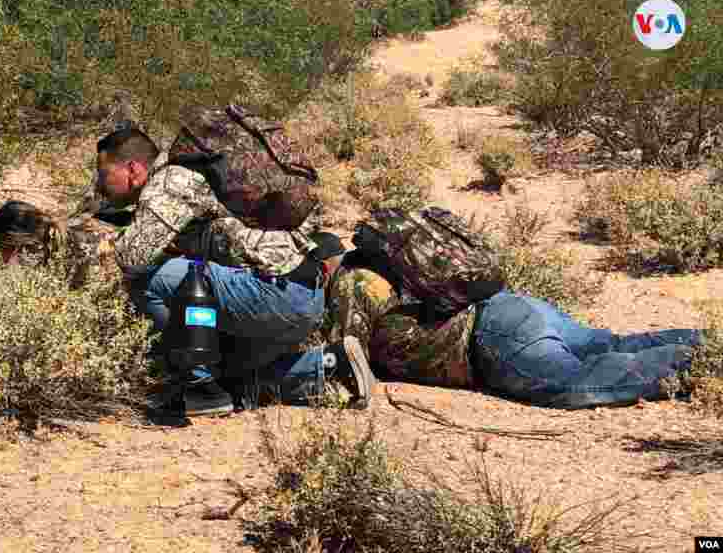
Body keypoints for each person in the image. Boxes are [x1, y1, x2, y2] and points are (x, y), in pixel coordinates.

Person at [93, 123, 374, 416]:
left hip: (271, 294)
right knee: (234, 380)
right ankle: (330, 364)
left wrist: (102, 245)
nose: (101, 186)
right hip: (303, 299)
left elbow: (131, 258)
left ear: (133, 169)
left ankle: (198, 386)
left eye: (104, 175)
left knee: (145, 281)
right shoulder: (197, 174)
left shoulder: (170, 181)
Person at [325, 237, 706, 410]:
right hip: (512, 308)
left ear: (327, 266)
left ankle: (700, 364)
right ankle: (709, 342)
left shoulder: (353, 281)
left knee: (572, 383)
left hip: (491, 339)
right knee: (612, 344)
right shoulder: (384, 261)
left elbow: (348, 357)